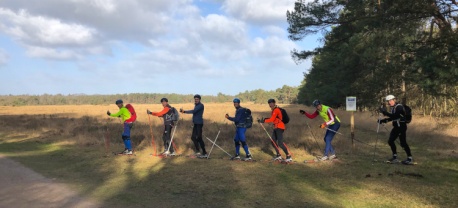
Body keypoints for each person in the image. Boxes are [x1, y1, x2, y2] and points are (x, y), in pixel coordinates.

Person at [378, 95, 413, 165]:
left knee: (403, 143)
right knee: (390, 141)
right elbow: (393, 118)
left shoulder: (399, 107)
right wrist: (384, 120)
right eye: (388, 101)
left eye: (391, 100)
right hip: (396, 127)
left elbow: (396, 116)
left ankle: (409, 158)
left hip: (401, 127)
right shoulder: (393, 108)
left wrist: (385, 113)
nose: (390, 102)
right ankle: (395, 157)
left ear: (394, 100)